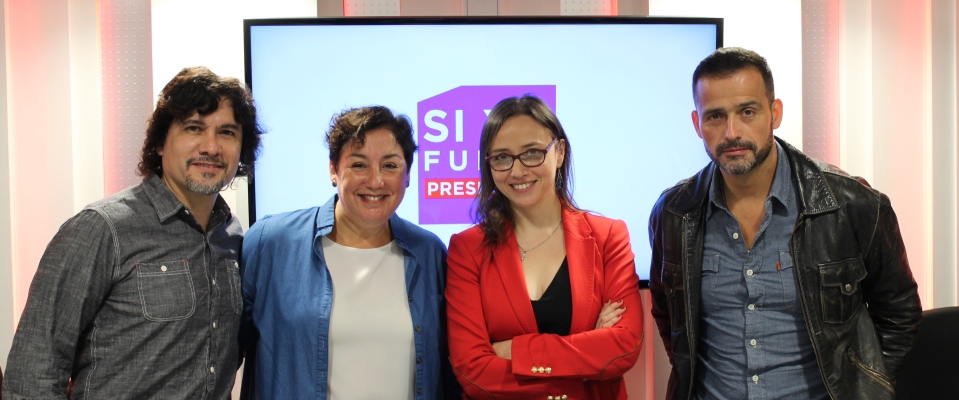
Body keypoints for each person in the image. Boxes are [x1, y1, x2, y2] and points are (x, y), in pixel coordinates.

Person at [648, 47, 923, 400]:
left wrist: (865, 390)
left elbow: (900, 314)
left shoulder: (852, 205)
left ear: (775, 113)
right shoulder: (675, 214)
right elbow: (669, 316)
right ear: (696, 124)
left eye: (748, 112)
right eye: (715, 116)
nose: (732, 132)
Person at [3, 66, 262, 399]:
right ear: (160, 143)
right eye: (194, 128)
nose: (211, 147)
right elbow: (34, 371)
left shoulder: (233, 236)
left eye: (227, 132)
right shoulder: (102, 228)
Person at [240, 106, 460, 399]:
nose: (375, 181)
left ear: (408, 175)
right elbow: (226, 350)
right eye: (359, 165)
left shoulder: (429, 253)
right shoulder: (270, 243)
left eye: (390, 165)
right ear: (333, 170)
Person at [446, 95, 644, 399]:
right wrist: (585, 355)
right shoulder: (468, 249)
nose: (517, 171)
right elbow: (472, 371)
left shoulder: (607, 237)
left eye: (532, 153)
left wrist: (516, 351)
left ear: (560, 152)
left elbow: (623, 347)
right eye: (502, 157)